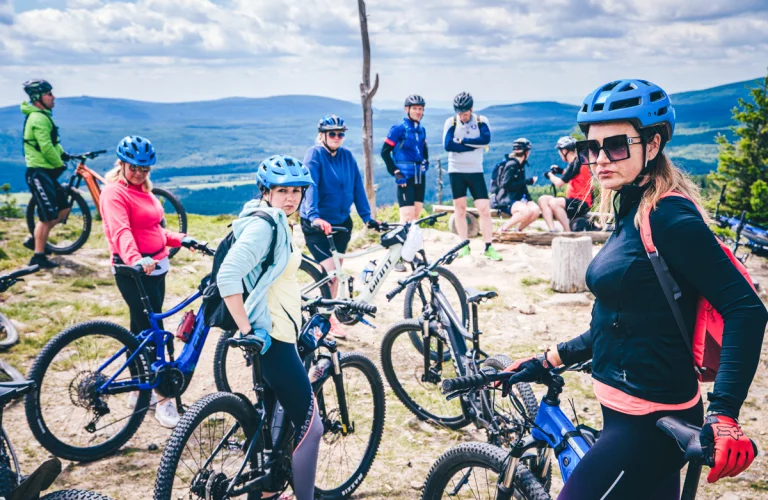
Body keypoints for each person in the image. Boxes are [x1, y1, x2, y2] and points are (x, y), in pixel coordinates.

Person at [502, 79, 766, 499]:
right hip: (625, 415)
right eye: (592, 148)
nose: (601, 158)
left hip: (650, 426)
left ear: (653, 142)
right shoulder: (632, 206)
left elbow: (747, 309)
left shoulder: (667, 216)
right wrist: (549, 359)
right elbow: (622, 319)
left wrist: (726, 414)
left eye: (617, 145)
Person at [218, 155, 322, 500]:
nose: (291, 197)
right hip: (273, 339)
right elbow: (228, 276)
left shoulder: (275, 219)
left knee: (273, 418)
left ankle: (267, 490)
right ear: (267, 191)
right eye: (282, 190)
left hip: (278, 332)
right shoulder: (267, 225)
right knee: (312, 428)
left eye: (296, 191)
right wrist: (247, 327)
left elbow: (274, 276)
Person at [100, 135, 197, 428]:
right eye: (134, 167)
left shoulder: (145, 191)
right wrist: (135, 258)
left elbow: (155, 230)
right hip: (135, 271)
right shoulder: (114, 193)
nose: (139, 173)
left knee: (140, 331)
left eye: (144, 168)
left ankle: (139, 391)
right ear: (122, 164)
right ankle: (163, 400)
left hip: (157, 267)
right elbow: (121, 232)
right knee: (151, 333)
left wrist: (182, 239)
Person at [299, 114, 380, 338]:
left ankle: (327, 316)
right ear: (323, 135)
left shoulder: (346, 156)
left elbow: (357, 187)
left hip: (341, 225)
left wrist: (367, 217)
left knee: (335, 275)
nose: (337, 137)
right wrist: (314, 216)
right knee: (331, 274)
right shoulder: (314, 154)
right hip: (317, 226)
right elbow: (310, 186)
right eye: (332, 133)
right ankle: (326, 320)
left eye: (340, 134)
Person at [443, 92, 502, 261]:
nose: (463, 116)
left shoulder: (481, 121)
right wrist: (472, 146)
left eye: (465, 112)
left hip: (475, 170)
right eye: (460, 112)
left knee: (484, 208)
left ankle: (488, 246)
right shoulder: (451, 122)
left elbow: (486, 139)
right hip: (456, 170)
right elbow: (448, 145)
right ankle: (464, 245)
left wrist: (461, 142)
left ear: (471, 109)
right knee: (459, 208)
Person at [21, 79, 71, 269]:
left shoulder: (43, 116)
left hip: (46, 173)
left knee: (64, 209)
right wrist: (59, 163)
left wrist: (63, 154)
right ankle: (38, 256)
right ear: (37, 98)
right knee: (47, 216)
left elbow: (54, 143)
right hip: (39, 172)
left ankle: (36, 239)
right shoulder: (38, 118)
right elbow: (46, 147)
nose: (53, 97)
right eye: (49, 94)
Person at [382, 94, 429, 272]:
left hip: (419, 175)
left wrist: (427, 161)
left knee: (415, 216)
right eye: (415, 108)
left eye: (420, 108)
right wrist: (395, 172)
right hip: (404, 175)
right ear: (407, 109)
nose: (418, 111)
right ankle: (396, 257)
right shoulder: (398, 129)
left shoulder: (421, 129)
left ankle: (411, 253)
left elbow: (424, 147)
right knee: (406, 216)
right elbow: (385, 152)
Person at [538, 136, 594, 232]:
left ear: (564, 151)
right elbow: (572, 175)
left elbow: (559, 183)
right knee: (543, 199)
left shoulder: (576, 163)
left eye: (560, 151)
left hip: (582, 202)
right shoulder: (577, 161)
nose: (559, 153)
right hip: (574, 201)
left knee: (554, 202)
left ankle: (567, 231)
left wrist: (550, 175)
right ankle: (552, 230)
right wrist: (560, 171)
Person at [491, 138, 541, 232]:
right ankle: (503, 229)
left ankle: (518, 230)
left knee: (535, 210)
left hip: (516, 198)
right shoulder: (512, 165)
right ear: (526, 152)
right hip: (505, 199)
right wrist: (527, 181)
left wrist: (529, 200)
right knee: (525, 212)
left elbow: (522, 186)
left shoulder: (520, 165)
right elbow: (506, 185)